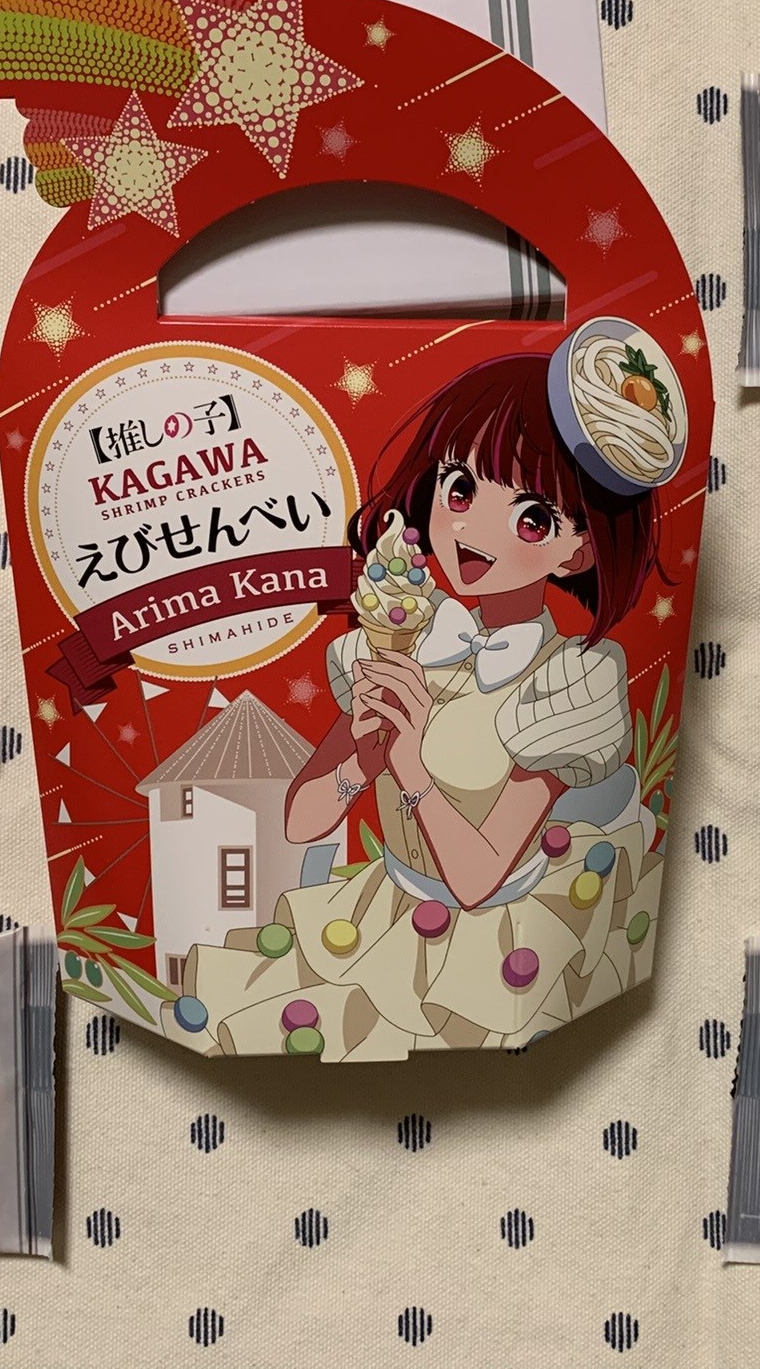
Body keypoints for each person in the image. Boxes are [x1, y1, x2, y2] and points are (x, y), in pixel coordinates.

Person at [170, 344, 678, 1058]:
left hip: (495, 935)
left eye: (531, 518)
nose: (470, 529)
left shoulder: (565, 682)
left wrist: (410, 767)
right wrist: (363, 757)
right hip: (384, 907)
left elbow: (475, 880)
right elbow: (301, 818)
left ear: (577, 551)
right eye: (460, 489)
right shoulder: (404, 634)